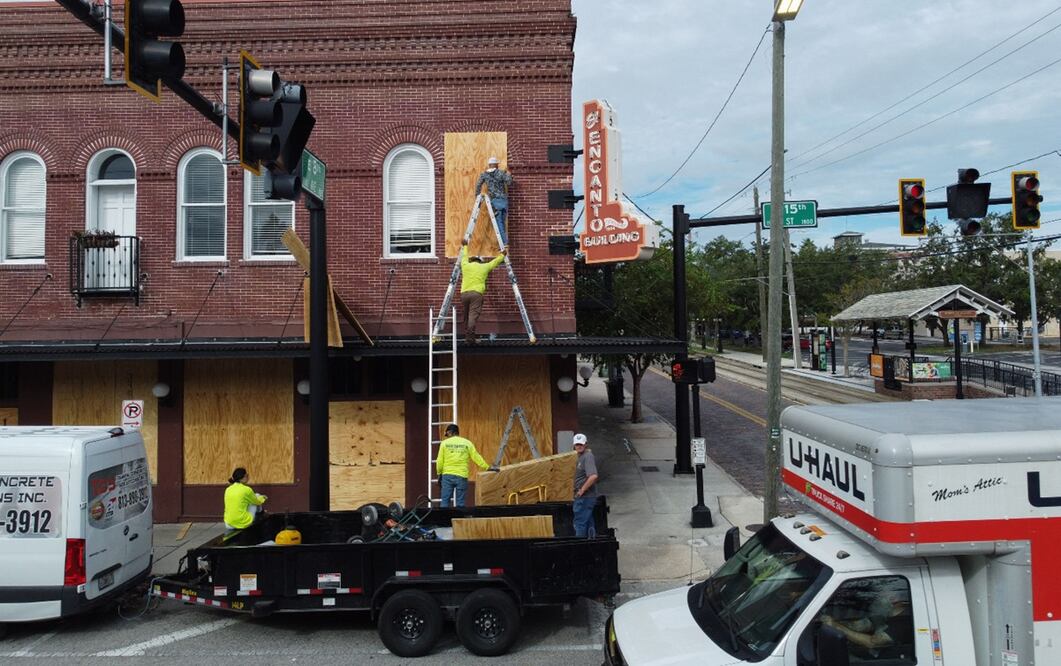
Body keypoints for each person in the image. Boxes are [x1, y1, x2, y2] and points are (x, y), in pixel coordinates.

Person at [436, 424, 496, 508]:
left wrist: (439, 474)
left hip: (447, 476)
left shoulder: (444, 443)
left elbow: (439, 461)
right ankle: (459, 520)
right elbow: (476, 457)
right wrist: (487, 467)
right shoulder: (467, 443)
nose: (447, 437)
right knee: (460, 503)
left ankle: (443, 520)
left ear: (450, 432)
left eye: (447, 434)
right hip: (461, 476)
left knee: (445, 501)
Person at [459, 239, 507, 344]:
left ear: (472, 260)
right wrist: (502, 255)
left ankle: (468, 337)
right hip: (476, 294)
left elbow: (463, 256)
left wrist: (465, 245)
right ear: (480, 261)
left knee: (466, 316)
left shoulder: (465, 265)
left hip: (464, 294)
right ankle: (470, 340)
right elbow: (494, 262)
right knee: (473, 316)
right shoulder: (484, 267)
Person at [474, 156, 513, 245]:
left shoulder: (484, 175)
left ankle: (504, 243)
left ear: (489, 165)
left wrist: (477, 197)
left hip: (495, 201)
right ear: (496, 165)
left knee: (499, 223)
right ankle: (504, 243)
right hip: (503, 200)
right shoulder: (501, 173)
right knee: (502, 223)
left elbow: (478, 185)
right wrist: (508, 174)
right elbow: (509, 182)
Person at [572, 433, 599, 537]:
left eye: (581, 444)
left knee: (579, 524)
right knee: (588, 522)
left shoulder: (587, 457)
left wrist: (581, 490)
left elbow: (593, 476)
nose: (579, 446)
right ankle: (591, 545)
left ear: (586, 444)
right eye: (577, 444)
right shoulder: (582, 457)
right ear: (574, 445)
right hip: (586, 497)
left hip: (585, 497)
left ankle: (580, 549)